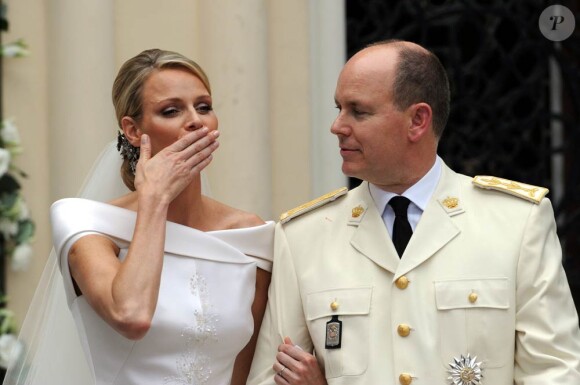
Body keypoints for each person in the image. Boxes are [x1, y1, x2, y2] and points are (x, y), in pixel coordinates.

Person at [247, 40, 580, 384]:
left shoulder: (516, 222)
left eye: (358, 111)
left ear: (418, 120)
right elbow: (268, 378)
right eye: (339, 108)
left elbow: (554, 371)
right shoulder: (303, 237)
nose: (337, 126)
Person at [5, 49, 274, 385]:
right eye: (171, 110)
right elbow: (130, 315)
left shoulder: (252, 237)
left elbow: (245, 370)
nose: (195, 120)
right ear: (133, 130)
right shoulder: (85, 226)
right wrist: (154, 200)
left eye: (204, 106)